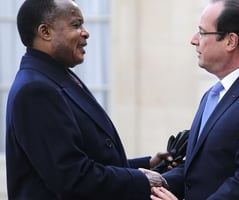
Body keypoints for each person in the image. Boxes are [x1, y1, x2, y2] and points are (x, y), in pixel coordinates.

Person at [5, 0, 170, 199]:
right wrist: (141, 180)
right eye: (76, 25)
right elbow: (72, 178)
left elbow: (91, 157)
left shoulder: (57, 77)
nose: (86, 32)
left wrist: (146, 165)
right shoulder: (36, 90)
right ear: (45, 32)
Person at [153, 0, 239, 199]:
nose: (194, 40)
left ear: (230, 41)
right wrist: (157, 181)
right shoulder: (214, 94)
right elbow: (200, 172)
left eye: (202, 32)